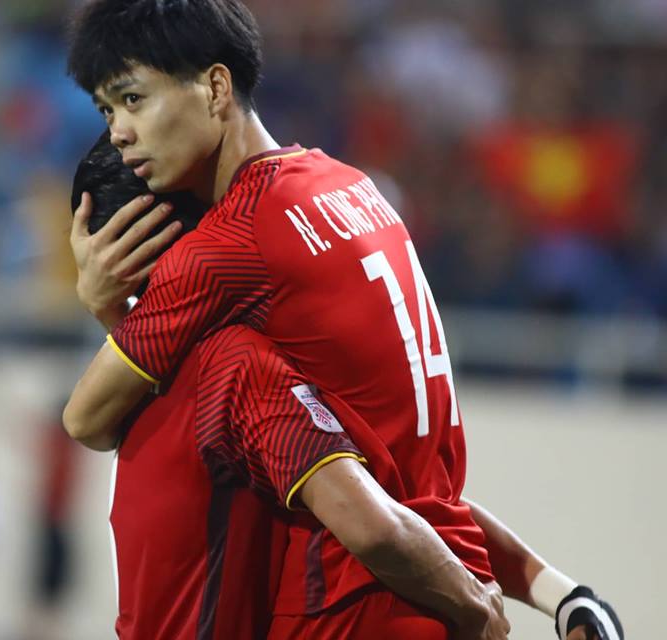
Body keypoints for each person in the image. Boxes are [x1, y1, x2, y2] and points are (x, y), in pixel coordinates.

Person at [62, 2, 622, 638]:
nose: (119, 132)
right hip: (442, 566)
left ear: (216, 88)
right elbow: (405, 481)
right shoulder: (354, 186)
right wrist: (560, 593)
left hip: (359, 600)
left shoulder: (225, 249)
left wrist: (101, 300)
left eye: (133, 99)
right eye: (107, 111)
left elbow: (86, 418)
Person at [72, 132, 498, 640]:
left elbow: (86, 420)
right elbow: (374, 519)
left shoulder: (149, 388)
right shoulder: (239, 367)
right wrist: (475, 607)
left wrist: (107, 308)